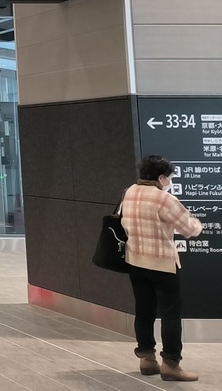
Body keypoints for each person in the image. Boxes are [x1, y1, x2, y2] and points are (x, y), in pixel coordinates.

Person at [120, 155, 203, 381]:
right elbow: (190, 229)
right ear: (161, 177)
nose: (169, 181)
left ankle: (147, 359)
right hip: (162, 265)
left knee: (144, 311)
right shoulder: (163, 199)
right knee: (170, 315)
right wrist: (198, 224)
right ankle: (171, 364)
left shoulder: (130, 192)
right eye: (169, 177)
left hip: (135, 261)